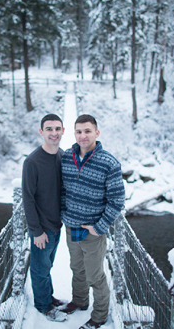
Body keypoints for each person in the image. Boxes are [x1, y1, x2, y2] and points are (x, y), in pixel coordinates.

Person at [60, 114, 125, 329]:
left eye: (87, 131)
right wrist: (63, 214)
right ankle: (79, 301)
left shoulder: (109, 163)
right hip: (71, 227)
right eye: (79, 131)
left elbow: (117, 200)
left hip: (93, 231)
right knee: (76, 268)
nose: (83, 135)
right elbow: (61, 190)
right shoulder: (67, 157)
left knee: (95, 275)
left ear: (97, 133)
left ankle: (99, 316)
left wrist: (100, 227)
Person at [22, 113, 68, 322]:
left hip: (57, 224)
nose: (53, 133)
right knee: (40, 269)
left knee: (47, 265)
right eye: (49, 129)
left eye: (57, 128)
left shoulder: (63, 156)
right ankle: (43, 306)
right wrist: (36, 231)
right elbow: (28, 199)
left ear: (62, 131)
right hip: (42, 228)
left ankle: (48, 297)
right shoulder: (32, 161)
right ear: (41, 132)